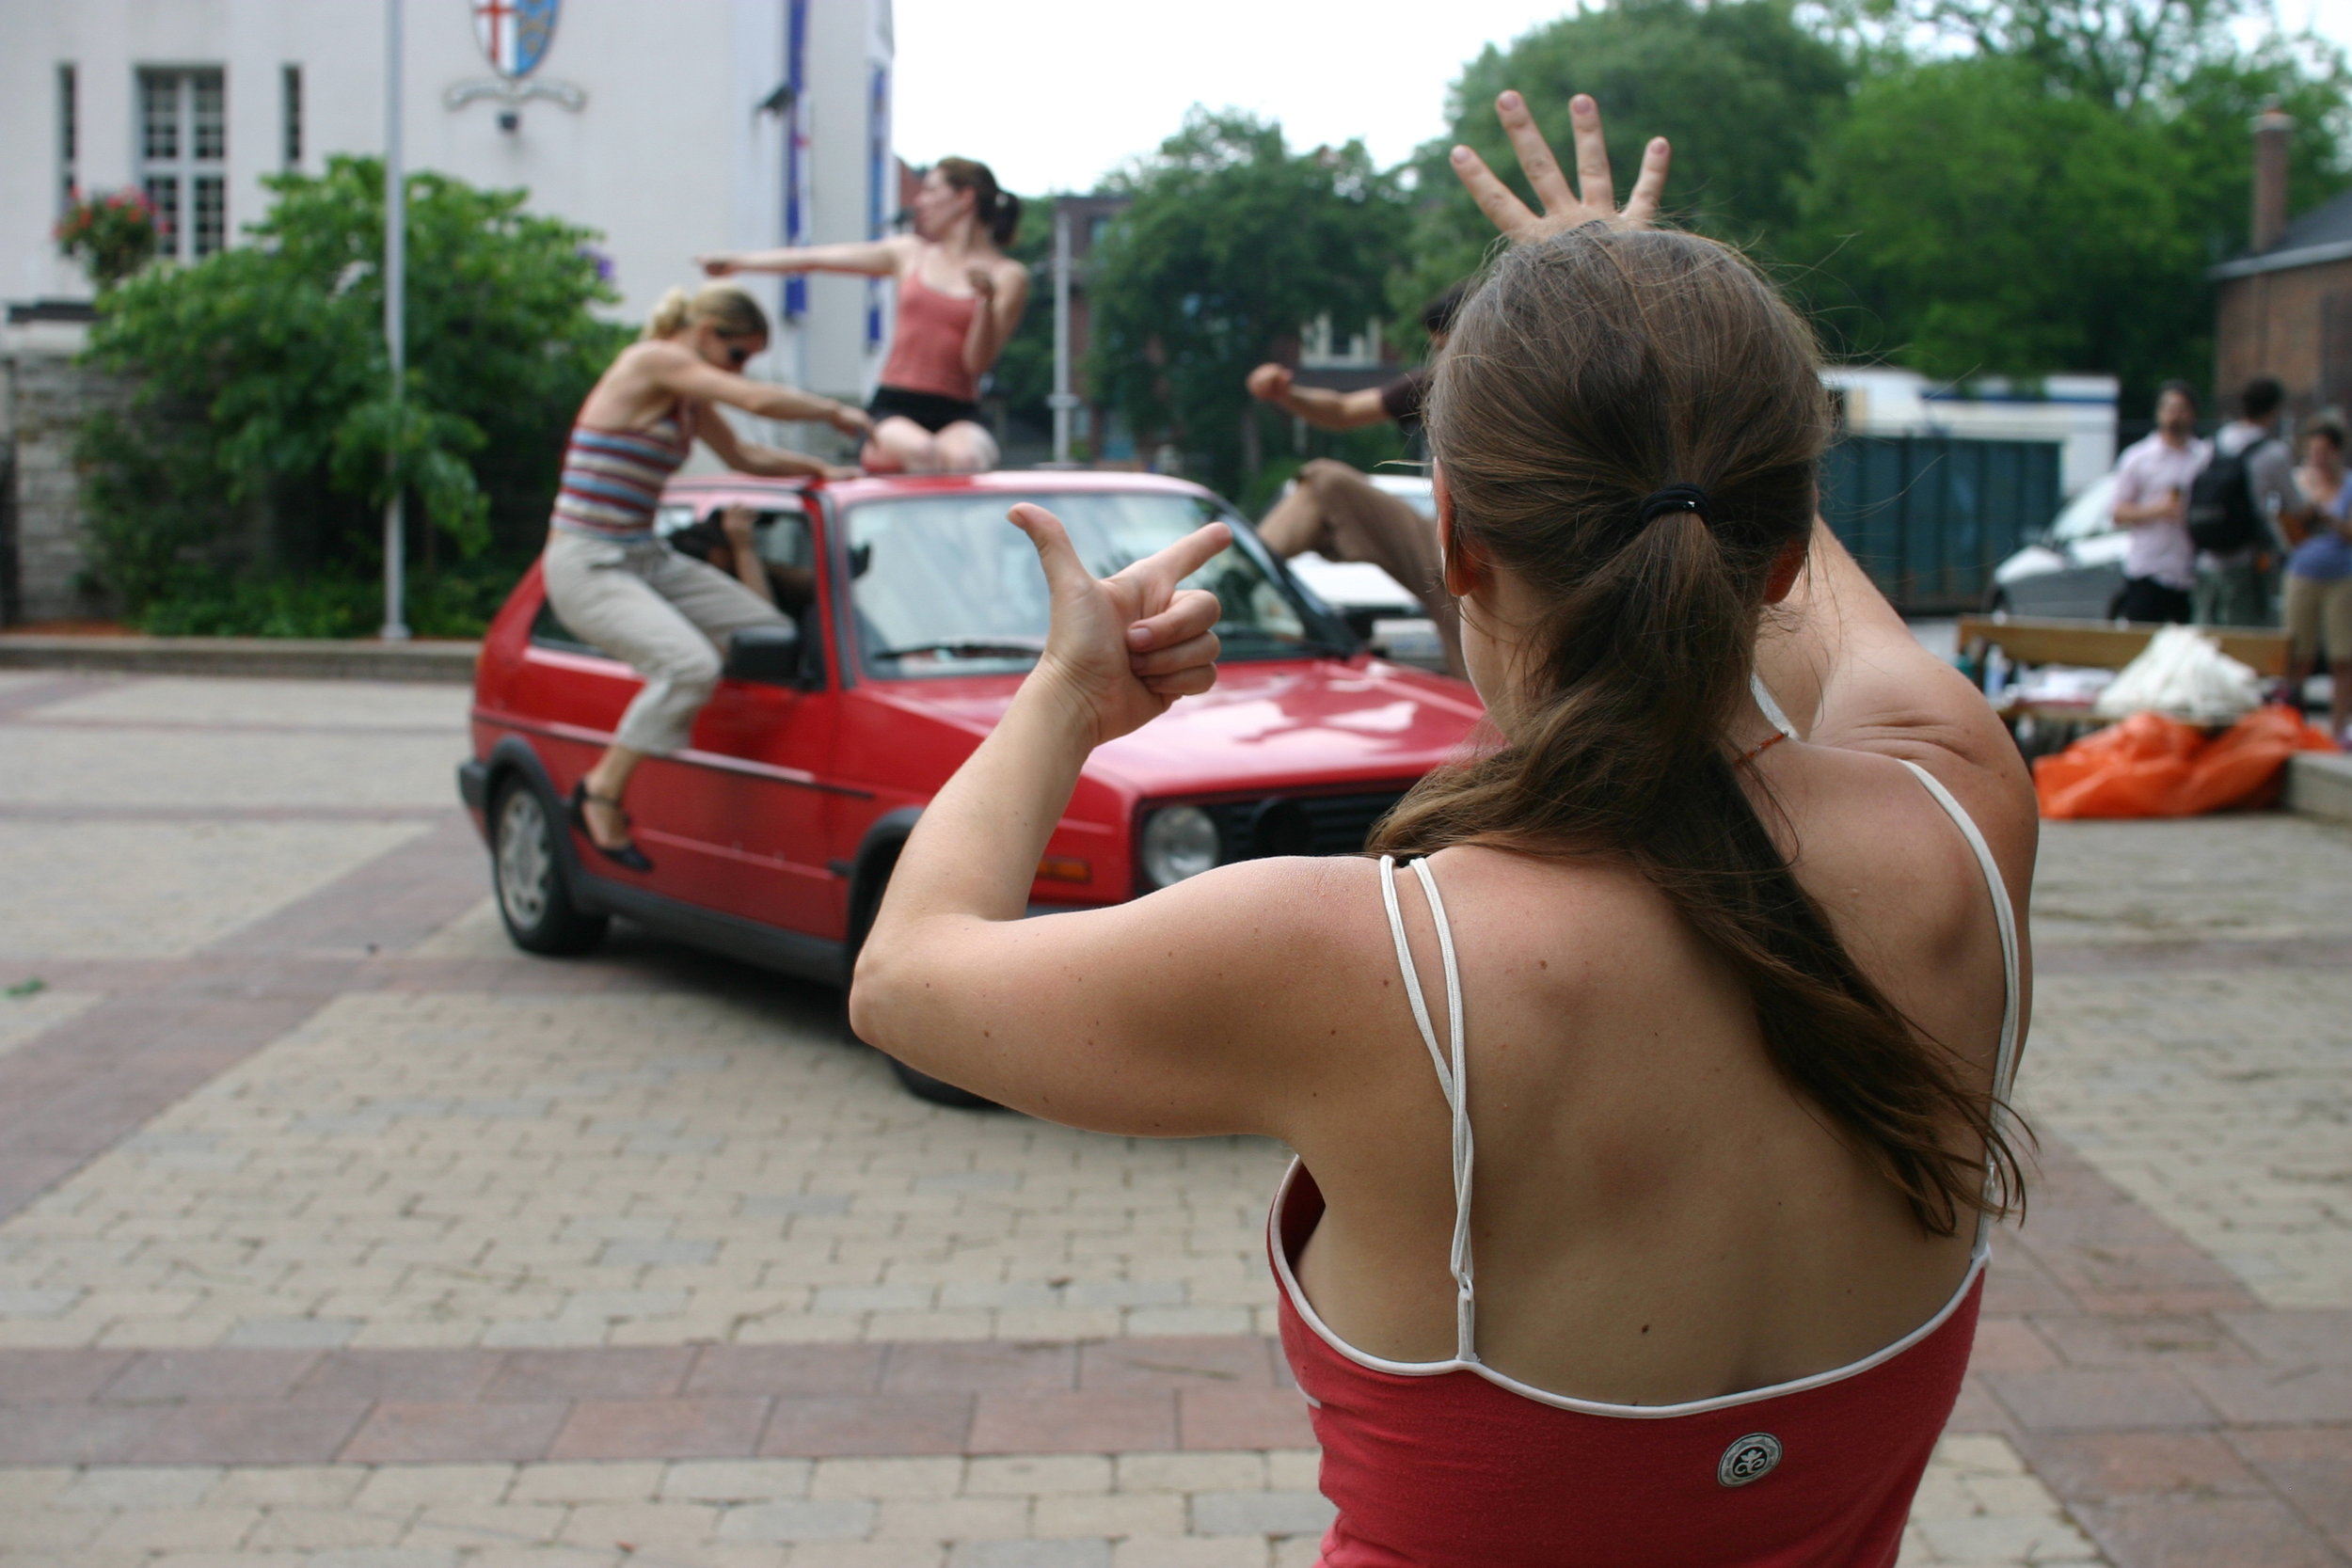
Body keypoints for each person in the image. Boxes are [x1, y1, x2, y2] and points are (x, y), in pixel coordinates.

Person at [850, 91, 2032, 1568]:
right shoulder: (1962, 813)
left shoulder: (1363, 956)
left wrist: (1064, 699)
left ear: (1455, 538)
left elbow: (907, 976)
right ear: (1787, 533)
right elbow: (1785, 571)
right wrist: (1652, 326)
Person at [544, 282, 868, 871]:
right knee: (689, 665)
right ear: (704, 332)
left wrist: (824, 470)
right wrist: (836, 412)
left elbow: (747, 457)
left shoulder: (686, 398)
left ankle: (693, 726)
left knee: (764, 632)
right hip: (586, 560)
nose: (741, 367)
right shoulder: (654, 361)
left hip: (641, 554)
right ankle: (601, 792)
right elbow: (757, 402)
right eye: (738, 354)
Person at [696, 158, 1028, 474]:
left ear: (964, 197)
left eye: (931, 190)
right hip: (896, 406)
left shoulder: (1007, 275)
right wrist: (739, 262)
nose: (920, 201)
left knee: (964, 457)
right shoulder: (910, 253)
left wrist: (985, 302)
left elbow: (976, 364)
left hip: (958, 411)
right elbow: (817, 258)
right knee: (922, 451)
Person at [1244, 285, 1472, 678]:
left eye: (1450, 347)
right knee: (1325, 484)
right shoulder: (1438, 381)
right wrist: (1287, 393)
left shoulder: (1537, 380)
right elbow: (1344, 410)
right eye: (1438, 350)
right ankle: (1230, 587)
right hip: (1453, 552)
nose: (1444, 360)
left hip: (1516, 555)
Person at [2194, 375, 2301, 627]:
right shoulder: (2273, 452)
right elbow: (2295, 506)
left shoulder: (2213, 444)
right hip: (2247, 558)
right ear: (2275, 409)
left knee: (2204, 635)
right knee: (2246, 636)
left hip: (2206, 555)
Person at [2109, 380, 2209, 624]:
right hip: (2149, 567)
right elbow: (2117, 511)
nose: (2175, 416)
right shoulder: (2138, 458)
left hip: (2191, 569)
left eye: (2182, 409)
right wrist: (2157, 510)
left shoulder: (2204, 457)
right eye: (2170, 409)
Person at [2285, 411, 2352, 741]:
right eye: (2313, 453)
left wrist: (2329, 519)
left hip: (2342, 576)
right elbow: (2287, 533)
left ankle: (2338, 728)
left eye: (2325, 452)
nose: (2319, 460)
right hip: (2303, 573)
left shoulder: (2349, 485)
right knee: (2299, 654)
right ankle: (2294, 724)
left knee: (2342, 657)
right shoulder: (2300, 483)